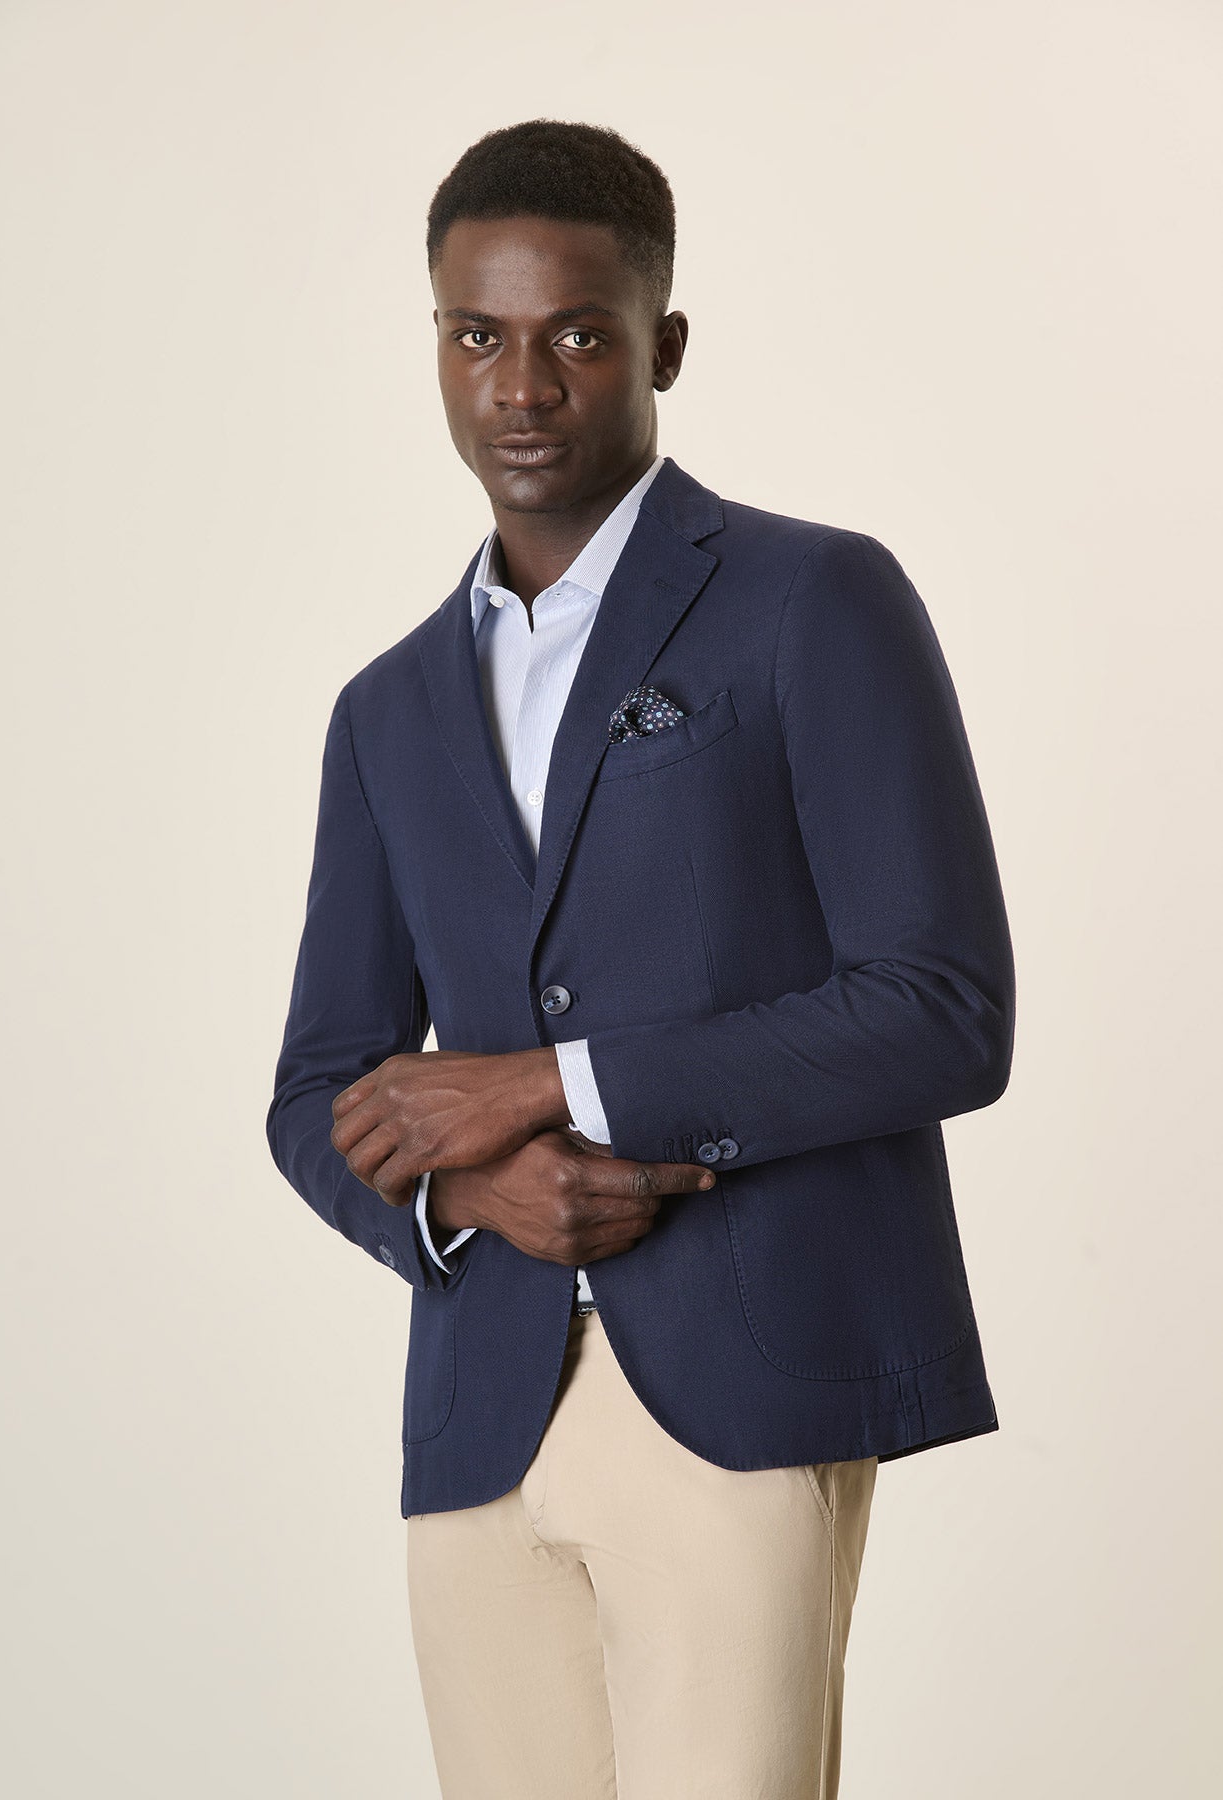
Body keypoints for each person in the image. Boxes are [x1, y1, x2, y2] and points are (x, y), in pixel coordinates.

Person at [266, 118, 1016, 1800]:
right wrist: (466, 1198)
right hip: (479, 1413)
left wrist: (549, 1086)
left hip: (741, 1386)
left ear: (662, 345)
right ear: (436, 345)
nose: (521, 387)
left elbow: (942, 1009)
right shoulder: (385, 710)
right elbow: (317, 1091)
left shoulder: (812, 600)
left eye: (578, 336)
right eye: (478, 335)